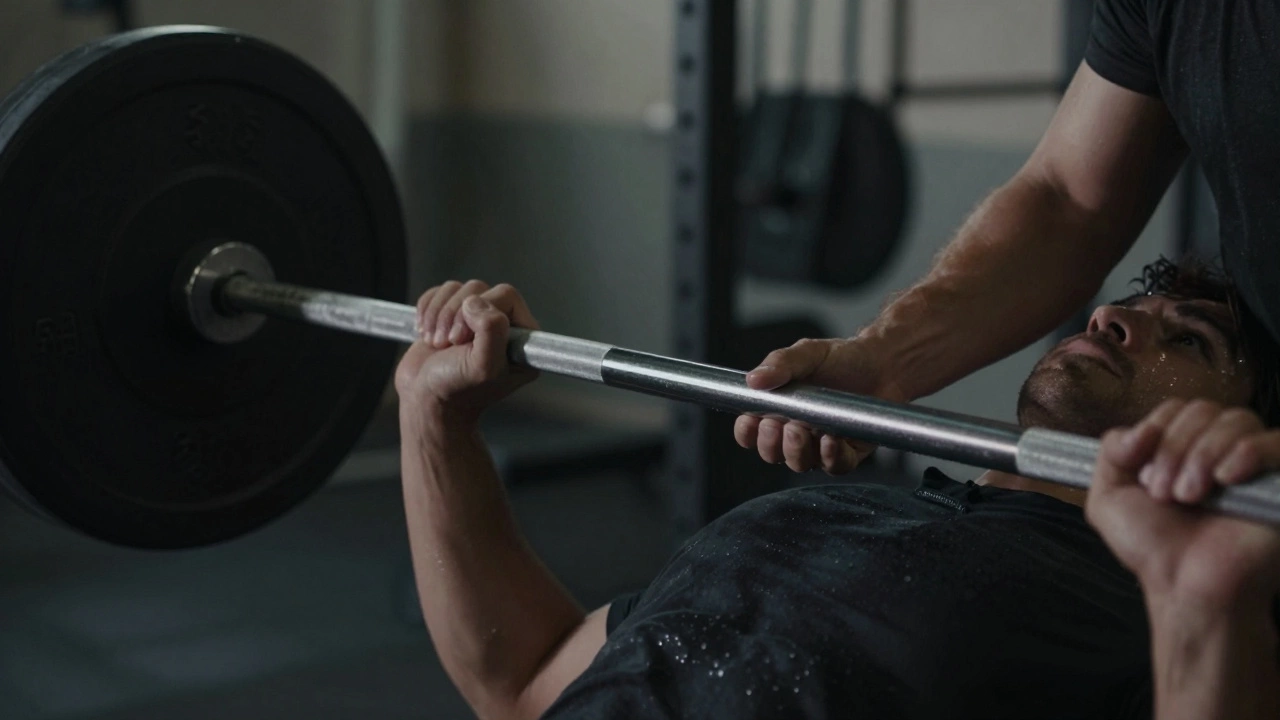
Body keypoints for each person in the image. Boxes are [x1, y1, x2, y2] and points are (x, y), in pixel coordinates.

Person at [396, 256, 1280, 720]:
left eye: (1189, 343)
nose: (1110, 317)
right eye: (1122, 306)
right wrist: (433, 418)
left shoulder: (1141, 618)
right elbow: (521, 681)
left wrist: (1204, 606)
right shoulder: (836, 507)